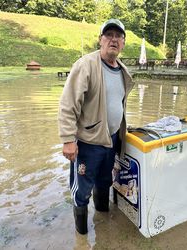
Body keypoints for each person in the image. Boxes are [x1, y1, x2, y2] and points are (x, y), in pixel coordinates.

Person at [58, 19, 134, 235]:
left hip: (111, 139)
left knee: (105, 182)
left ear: (123, 43)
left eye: (118, 36)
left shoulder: (122, 71)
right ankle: (81, 236)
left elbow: (117, 105)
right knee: (81, 191)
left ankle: (103, 223)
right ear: (100, 40)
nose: (114, 39)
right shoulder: (86, 65)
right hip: (88, 142)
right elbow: (68, 104)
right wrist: (68, 140)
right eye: (108, 34)